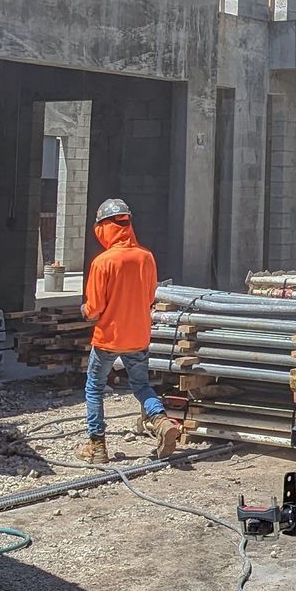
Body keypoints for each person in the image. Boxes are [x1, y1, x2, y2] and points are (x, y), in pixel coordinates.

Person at [80, 198, 181, 463]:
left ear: (104, 227)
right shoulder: (146, 258)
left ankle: (97, 445)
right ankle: (160, 421)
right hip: (138, 336)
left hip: (108, 338)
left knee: (94, 387)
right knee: (141, 385)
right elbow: (150, 297)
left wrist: (86, 311)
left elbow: (94, 308)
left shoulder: (103, 262)